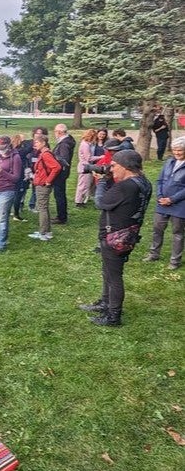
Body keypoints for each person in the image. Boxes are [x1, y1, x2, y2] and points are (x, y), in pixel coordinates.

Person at [79, 150, 152, 326]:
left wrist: (102, 181)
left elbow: (101, 202)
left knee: (114, 276)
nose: (111, 169)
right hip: (127, 235)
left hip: (115, 237)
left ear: (126, 167)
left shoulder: (126, 186)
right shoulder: (143, 182)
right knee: (108, 273)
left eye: (114, 166)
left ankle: (113, 316)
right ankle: (106, 303)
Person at [143, 136, 185, 270]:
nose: (177, 153)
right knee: (157, 229)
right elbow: (160, 180)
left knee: (177, 233)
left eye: (180, 150)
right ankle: (154, 253)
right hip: (162, 203)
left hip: (179, 205)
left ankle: (175, 261)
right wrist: (160, 196)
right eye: (175, 150)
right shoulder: (169, 162)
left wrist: (172, 199)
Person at [28, 135, 61, 242]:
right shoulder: (43, 153)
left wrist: (48, 180)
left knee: (42, 208)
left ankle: (43, 233)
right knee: (44, 208)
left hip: (43, 185)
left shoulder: (46, 155)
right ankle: (47, 231)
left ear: (43, 143)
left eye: (37, 142)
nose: (35, 144)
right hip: (41, 183)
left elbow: (56, 167)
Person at [51, 123, 76, 224]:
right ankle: (62, 215)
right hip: (63, 173)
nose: (54, 134)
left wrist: (53, 158)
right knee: (61, 194)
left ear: (60, 132)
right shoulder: (68, 140)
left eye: (55, 132)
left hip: (60, 173)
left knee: (59, 195)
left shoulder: (64, 144)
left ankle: (61, 217)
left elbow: (63, 160)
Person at [74, 129, 98, 207]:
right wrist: (100, 157)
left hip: (85, 166)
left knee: (85, 184)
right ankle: (79, 201)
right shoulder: (85, 145)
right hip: (85, 167)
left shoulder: (86, 144)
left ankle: (81, 200)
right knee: (83, 185)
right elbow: (89, 158)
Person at [10, 133, 30, 221]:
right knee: (18, 195)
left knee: (12, 194)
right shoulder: (20, 151)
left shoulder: (11, 151)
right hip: (19, 175)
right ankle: (16, 214)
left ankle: (10, 211)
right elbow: (29, 148)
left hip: (12, 175)